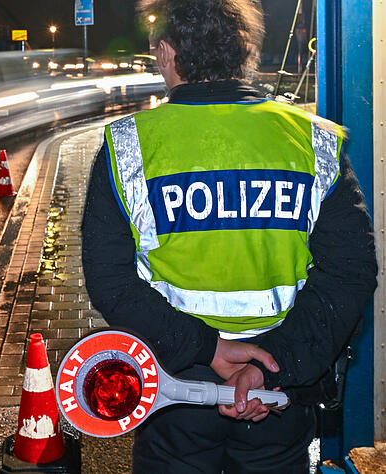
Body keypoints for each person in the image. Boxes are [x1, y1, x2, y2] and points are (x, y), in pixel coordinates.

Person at [80, 0, 377, 472]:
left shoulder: (128, 146)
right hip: (280, 390)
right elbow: (351, 274)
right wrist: (267, 367)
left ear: (167, 53)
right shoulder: (313, 143)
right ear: (246, 56)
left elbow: (109, 280)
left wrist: (207, 351)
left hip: (173, 390)